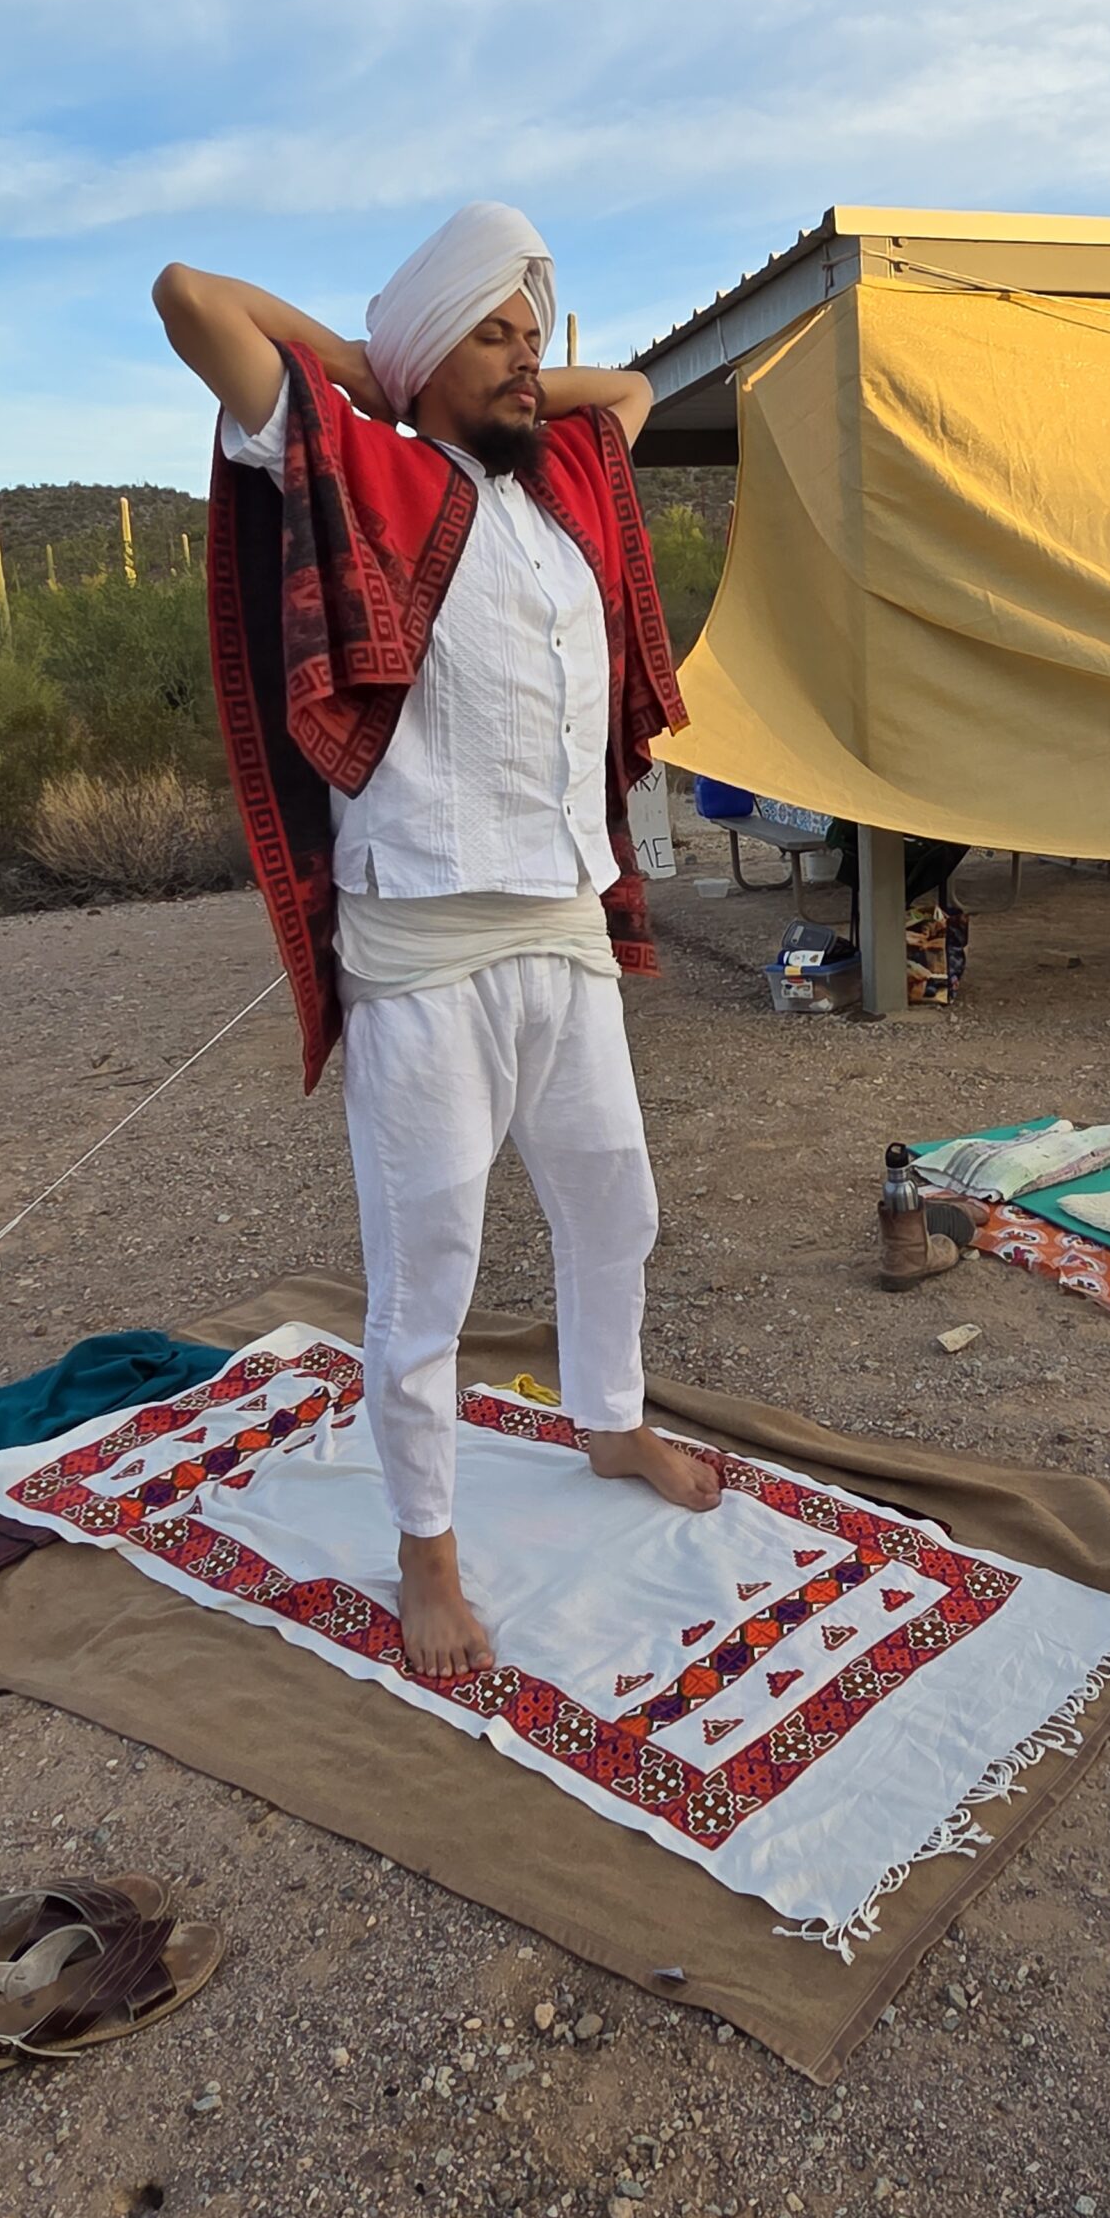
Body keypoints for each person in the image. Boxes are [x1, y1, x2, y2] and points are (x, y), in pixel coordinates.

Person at [154, 203, 718, 1684]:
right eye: (497, 335)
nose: (532, 362)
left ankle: (611, 1422)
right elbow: (191, 293)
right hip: (421, 947)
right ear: (422, 352)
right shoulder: (359, 469)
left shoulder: (566, 487)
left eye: (536, 334)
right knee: (430, 1264)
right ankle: (427, 1546)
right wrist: (368, 373)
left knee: (616, 1207)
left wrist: (499, 367)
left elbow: (633, 389)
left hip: (566, 928)